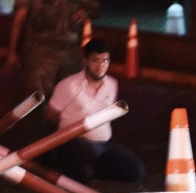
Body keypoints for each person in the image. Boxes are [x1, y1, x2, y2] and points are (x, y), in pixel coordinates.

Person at [45, 39, 145, 184]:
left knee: (136, 172)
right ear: (85, 61)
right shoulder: (68, 85)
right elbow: (51, 115)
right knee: (83, 169)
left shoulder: (112, 84)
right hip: (75, 143)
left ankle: (91, 170)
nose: (101, 66)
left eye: (105, 60)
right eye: (95, 60)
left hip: (103, 144)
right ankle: (75, 167)